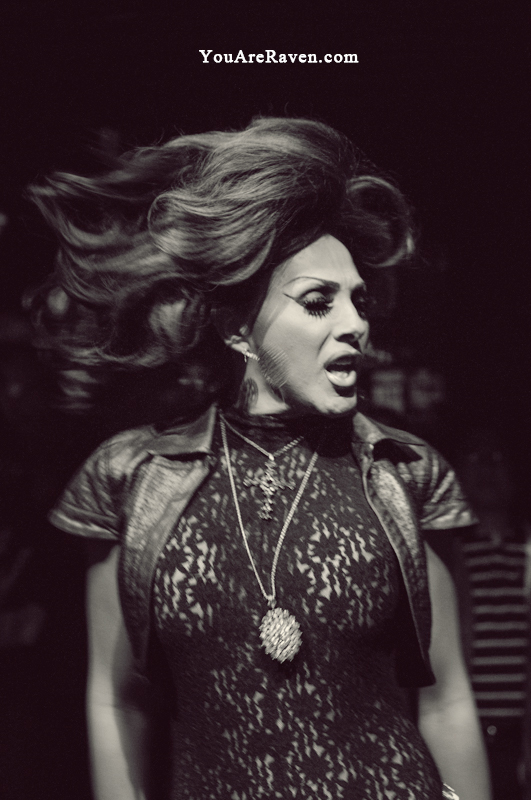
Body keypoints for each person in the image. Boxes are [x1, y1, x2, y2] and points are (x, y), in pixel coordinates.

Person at [29, 117, 491, 800]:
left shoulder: (406, 471)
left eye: (359, 301)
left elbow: (448, 697)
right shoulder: (130, 477)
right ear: (237, 329)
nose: (355, 325)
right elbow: (116, 700)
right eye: (319, 302)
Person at [451, 427, 531, 800]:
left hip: (522, 735)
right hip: (466, 733)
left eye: (496, 458)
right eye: (475, 458)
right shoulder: (448, 556)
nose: (486, 468)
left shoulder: (527, 550)